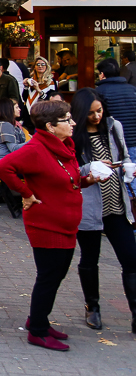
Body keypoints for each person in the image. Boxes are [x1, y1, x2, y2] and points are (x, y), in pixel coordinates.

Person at [0, 100, 97, 351]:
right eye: (67, 120)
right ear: (51, 126)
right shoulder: (36, 149)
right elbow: (2, 166)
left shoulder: (63, 148)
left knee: (57, 276)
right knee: (49, 278)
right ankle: (37, 331)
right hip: (46, 225)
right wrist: (25, 193)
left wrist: (87, 180)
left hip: (66, 224)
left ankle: (38, 319)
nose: (73, 123)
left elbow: (65, 180)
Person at [70, 88, 136, 334]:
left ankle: (135, 313)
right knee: (90, 259)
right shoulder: (73, 134)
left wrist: (127, 167)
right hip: (89, 208)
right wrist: (91, 166)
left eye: (99, 111)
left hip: (117, 206)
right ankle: (93, 307)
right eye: (90, 114)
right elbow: (71, 170)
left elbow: (125, 155)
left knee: (131, 259)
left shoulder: (113, 126)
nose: (97, 117)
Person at [96, 58, 136, 174]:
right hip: (133, 141)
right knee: (131, 176)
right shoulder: (132, 89)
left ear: (102, 74)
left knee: (114, 177)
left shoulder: (99, 92)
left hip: (112, 142)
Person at [0, 98, 28, 165]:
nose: (20, 109)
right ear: (9, 110)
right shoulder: (4, 125)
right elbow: (14, 149)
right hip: (3, 164)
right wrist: (34, 141)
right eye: (17, 107)